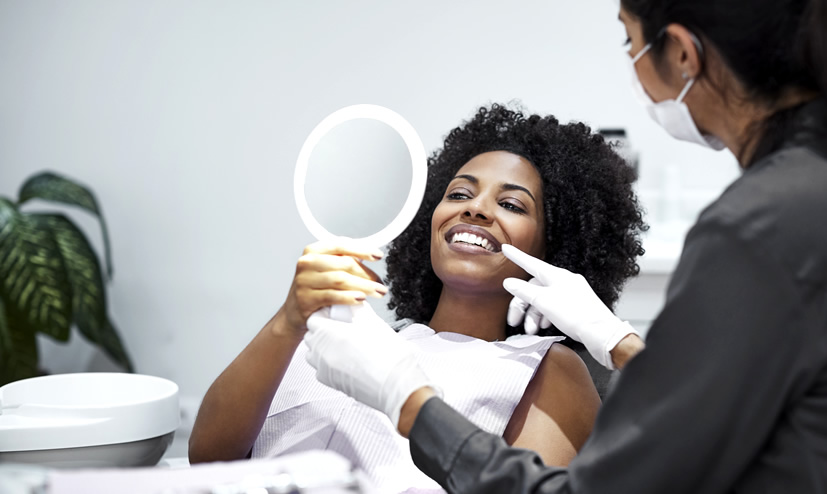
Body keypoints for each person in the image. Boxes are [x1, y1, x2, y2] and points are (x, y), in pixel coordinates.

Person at [303, 1, 827, 492]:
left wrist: (406, 401)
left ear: (683, 54)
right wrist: (620, 342)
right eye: (461, 190)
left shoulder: (762, 228)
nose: (477, 209)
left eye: (631, 40)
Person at [188, 104, 647, 492]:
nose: (475, 208)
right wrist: (289, 321)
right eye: (459, 193)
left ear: (553, 247)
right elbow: (209, 458)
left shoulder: (545, 366)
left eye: (511, 204)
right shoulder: (339, 340)